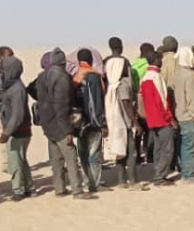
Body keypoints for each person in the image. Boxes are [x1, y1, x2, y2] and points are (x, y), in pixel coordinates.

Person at [37, 48, 90, 198]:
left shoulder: (42, 77)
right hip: (59, 124)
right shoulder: (62, 77)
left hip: (47, 123)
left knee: (56, 159)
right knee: (71, 156)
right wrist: (67, 130)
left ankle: (59, 188)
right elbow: (62, 105)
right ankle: (77, 190)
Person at [0, 55, 34, 201]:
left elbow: (18, 115)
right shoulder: (13, 86)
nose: (2, 72)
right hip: (19, 130)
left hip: (18, 132)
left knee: (15, 161)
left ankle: (19, 190)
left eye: (4, 69)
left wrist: (7, 132)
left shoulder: (17, 89)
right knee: (21, 159)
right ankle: (28, 187)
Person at [105, 57, 144, 189]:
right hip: (124, 124)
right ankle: (133, 181)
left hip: (116, 123)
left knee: (120, 152)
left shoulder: (111, 85)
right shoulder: (122, 85)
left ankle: (122, 180)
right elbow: (126, 104)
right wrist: (136, 123)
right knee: (131, 153)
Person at [140, 51, 177, 186]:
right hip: (161, 119)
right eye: (160, 59)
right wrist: (170, 118)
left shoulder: (144, 77)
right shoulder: (156, 76)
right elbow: (162, 100)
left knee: (158, 148)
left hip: (152, 119)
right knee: (167, 149)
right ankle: (159, 176)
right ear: (156, 60)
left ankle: (159, 172)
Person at [73, 49, 107, 192]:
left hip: (77, 122)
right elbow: (96, 102)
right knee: (94, 154)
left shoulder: (74, 77)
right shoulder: (92, 77)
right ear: (91, 60)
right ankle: (95, 184)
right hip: (91, 123)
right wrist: (101, 123)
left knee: (83, 154)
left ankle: (87, 181)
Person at [170, 45, 194, 184]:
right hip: (188, 115)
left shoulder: (176, 73)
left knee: (182, 144)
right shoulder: (189, 75)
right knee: (189, 146)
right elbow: (191, 98)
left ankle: (184, 170)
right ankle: (188, 175)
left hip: (178, 114)